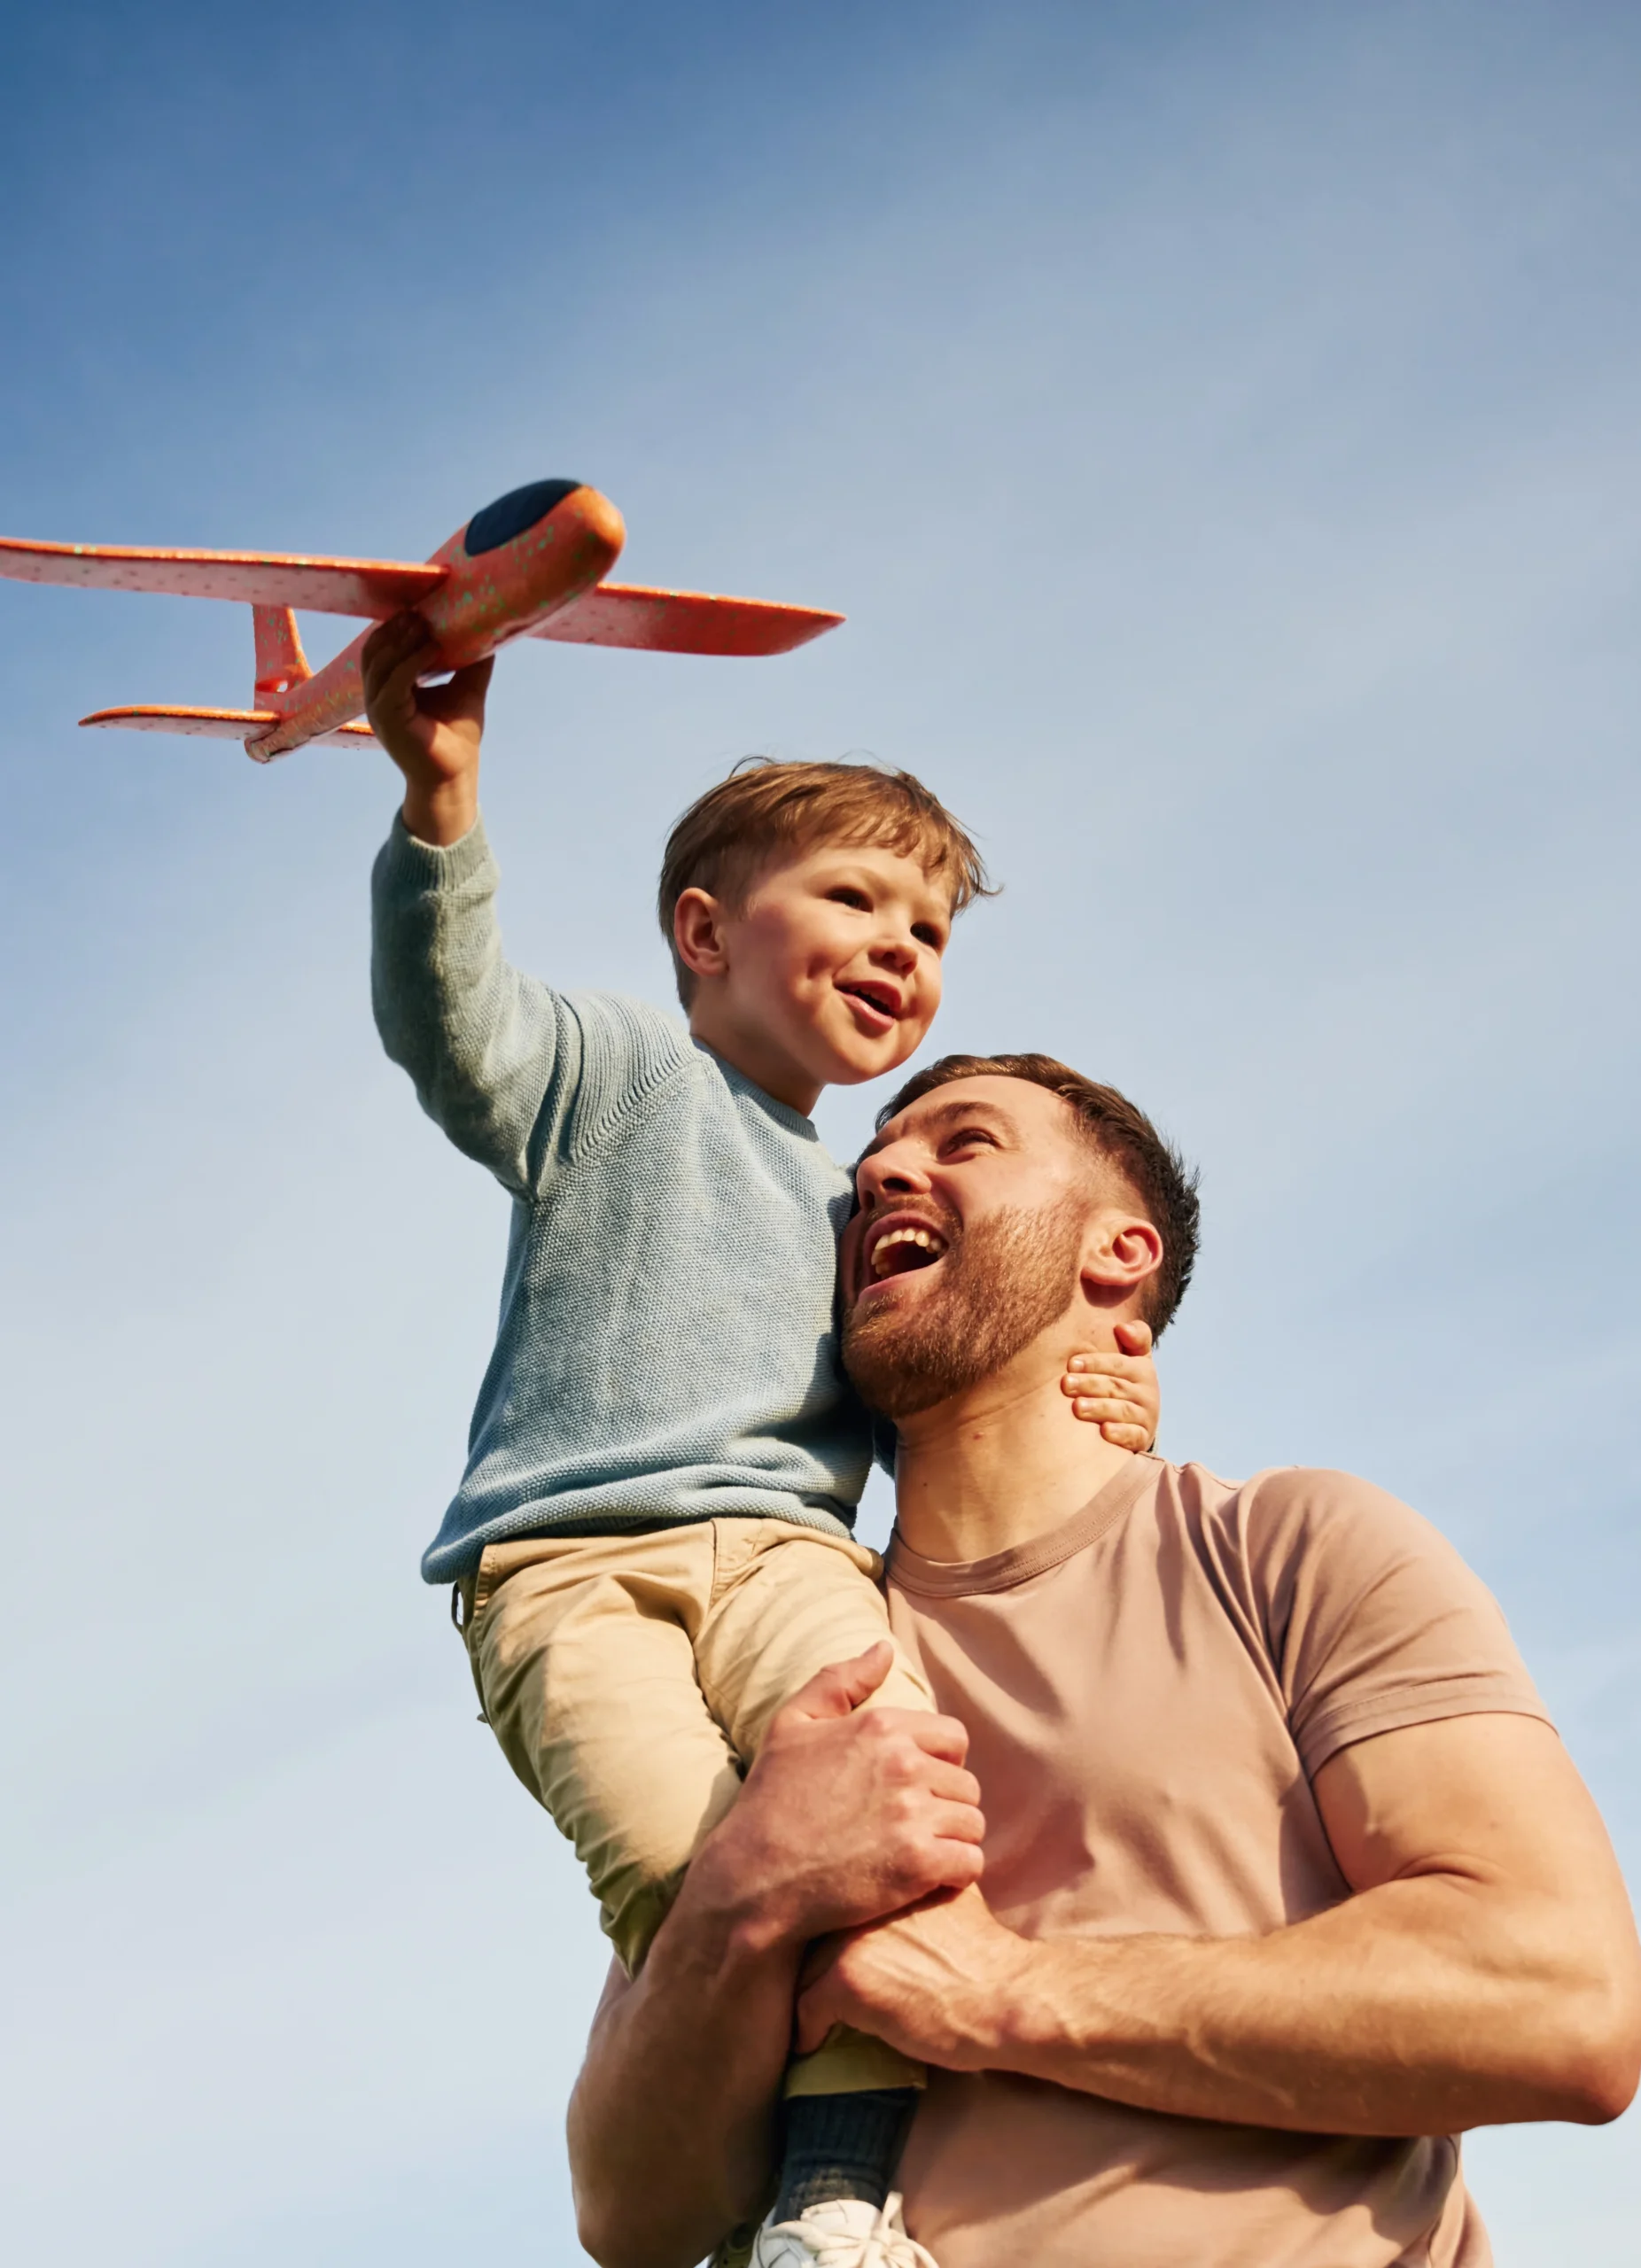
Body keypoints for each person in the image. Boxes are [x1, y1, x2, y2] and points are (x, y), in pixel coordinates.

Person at [359, 619, 1161, 2268]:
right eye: (857, 900)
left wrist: (1112, 1380)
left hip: (794, 1560)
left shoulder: (870, 1201)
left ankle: (838, 2200)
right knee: (694, 1873)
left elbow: (948, 1389)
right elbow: (455, 1026)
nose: (902, 945)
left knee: (903, 1822)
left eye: (928, 926)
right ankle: (727, 2191)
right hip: (570, 1572)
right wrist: (441, 807)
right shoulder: (618, 1071)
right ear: (706, 932)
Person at [570, 1053, 1641, 2268]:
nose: (879, 1170)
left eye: (964, 1142)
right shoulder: (771, 1644)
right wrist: (746, 1893)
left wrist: (999, 1994)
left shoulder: (1289, 1548)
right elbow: (629, 2216)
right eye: (875, 1159)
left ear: (1117, 1255)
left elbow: (1563, 2003)